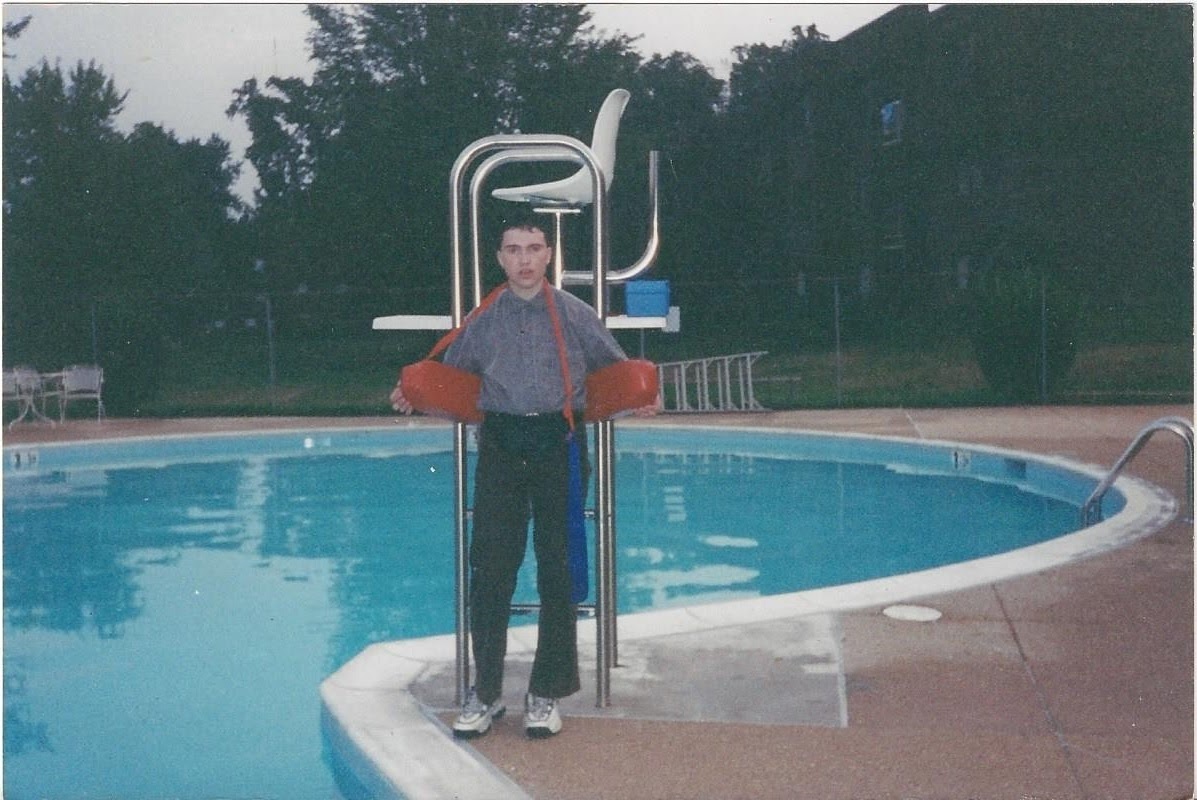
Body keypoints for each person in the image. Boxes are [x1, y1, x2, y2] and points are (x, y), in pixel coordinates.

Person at [390, 221, 657, 739]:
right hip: (503, 448)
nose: (525, 259)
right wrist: (415, 394)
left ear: (549, 253)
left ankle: (545, 692)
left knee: (558, 574)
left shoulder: (577, 316)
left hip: (559, 444)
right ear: (500, 258)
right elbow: (452, 376)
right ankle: (486, 692)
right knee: (490, 572)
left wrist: (644, 396)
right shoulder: (483, 322)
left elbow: (617, 371)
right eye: (514, 250)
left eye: (534, 249)